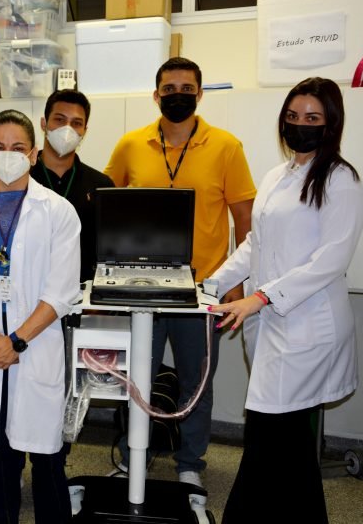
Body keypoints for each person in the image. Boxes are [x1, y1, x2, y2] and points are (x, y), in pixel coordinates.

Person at [210, 77, 363, 524]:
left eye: (312, 118)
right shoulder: (276, 176)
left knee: (267, 436)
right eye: (293, 116)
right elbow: (255, 244)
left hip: (308, 330)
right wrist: (211, 284)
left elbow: (330, 260)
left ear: (331, 124)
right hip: (272, 326)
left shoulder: (342, 181)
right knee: (290, 446)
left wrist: (260, 297)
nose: (300, 125)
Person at [104, 57, 257, 500]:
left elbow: (244, 219)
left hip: (203, 289)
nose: (177, 96)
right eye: (169, 89)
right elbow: (108, 204)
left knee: (196, 383)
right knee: (136, 378)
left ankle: (190, 464)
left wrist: (236, 284)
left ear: (200, 94)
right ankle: (133, 456)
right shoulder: (131, 144)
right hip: (141, 289)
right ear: (156, 96)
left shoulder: (226, 146)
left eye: (186, 89)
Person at [0, 109, 81, 524]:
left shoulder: (58, 212)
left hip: (34, 349)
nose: (8, 155)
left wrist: (16, 341)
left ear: (34, 154)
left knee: (48, 461)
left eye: (18, 147)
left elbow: (60, 292)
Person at [30, 89, 114, 284]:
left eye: (76, 123)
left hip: (83, 292)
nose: (67, 129)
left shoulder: (101, 186)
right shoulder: (21, 179)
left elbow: (110, 251)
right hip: (30, 291)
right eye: (59, 120)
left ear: (84, 131)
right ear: (44, 123)